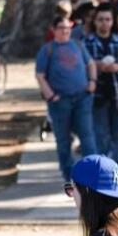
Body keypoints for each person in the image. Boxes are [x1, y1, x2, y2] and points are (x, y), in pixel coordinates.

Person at [37, 16, 100, 187]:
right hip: (60, 101)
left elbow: (91, 64)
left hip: (82, 98)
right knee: (64, 141)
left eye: (68, 27)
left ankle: (92, 175)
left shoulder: (78, 45)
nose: (65, 31)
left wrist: (92, 82)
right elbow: (40, 75)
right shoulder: (47, 50)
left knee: (87, 137)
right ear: (54, 29)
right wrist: (51, 95)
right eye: (61, 28)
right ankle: (70, 175)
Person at [84, 5, 118, 169]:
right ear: (95, 21)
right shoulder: (87, 42)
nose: (104, 23)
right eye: (100, 20)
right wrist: (95, 65)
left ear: (112, 22)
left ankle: (117, 168)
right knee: (101, 136)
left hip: (117, 94)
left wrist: (117, 67)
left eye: (107, 19)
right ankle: (103, 171)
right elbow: (80, 66)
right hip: (96, 95)